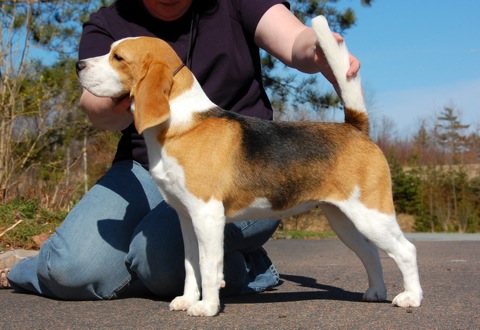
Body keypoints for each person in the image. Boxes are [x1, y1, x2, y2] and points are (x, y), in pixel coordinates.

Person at [1, 0, 360, 299]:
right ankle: (33, 264)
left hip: (243, 169)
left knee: (154, 259)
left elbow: (295, 39)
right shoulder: (109, 21)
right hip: (146, 168)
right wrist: (124, 95)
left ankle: (247, 267)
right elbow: (97, 111)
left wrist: (317, 48)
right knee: (68, 270)